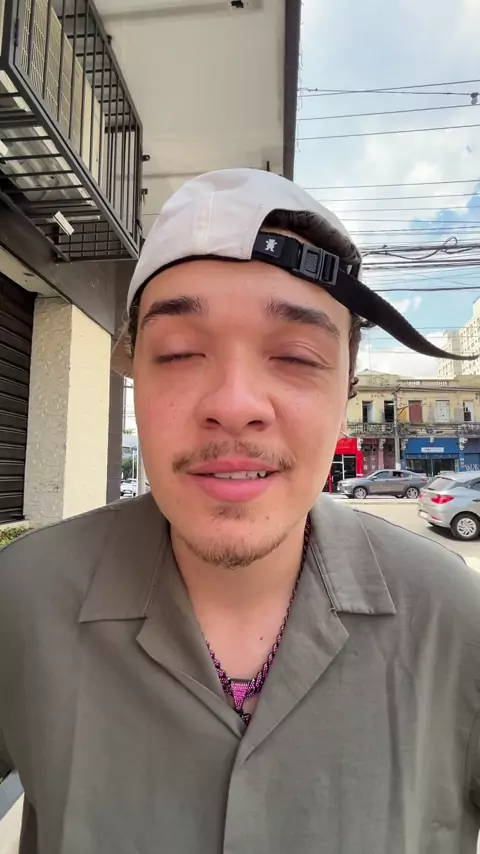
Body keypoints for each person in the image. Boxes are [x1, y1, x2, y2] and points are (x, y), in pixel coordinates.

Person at [0, 168, 479, 854]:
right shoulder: (20, 599)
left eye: (296, 356)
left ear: (346, 389)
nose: (234, 403)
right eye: (178, 353)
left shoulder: (454, 620)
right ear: (135, 379)